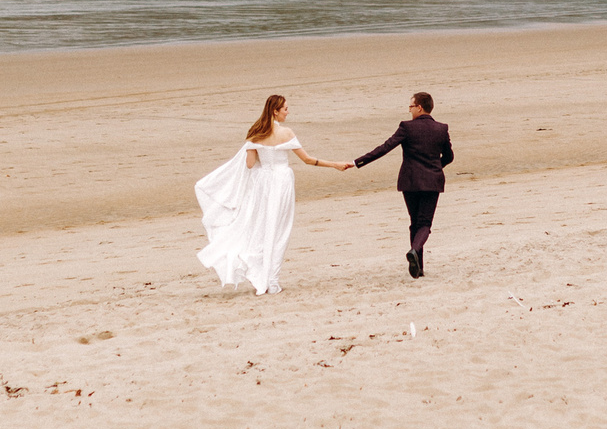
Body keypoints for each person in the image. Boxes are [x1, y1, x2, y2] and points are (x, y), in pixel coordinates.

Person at [194, 94, 349, 294]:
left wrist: (260, 154)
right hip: (281, 182)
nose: (288, 112)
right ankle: (272, 281)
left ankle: (263, 275)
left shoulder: (255, 132)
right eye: (285, 109)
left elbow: (250, 164)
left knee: (261, 227)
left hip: (263, 183)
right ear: (275, 111)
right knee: (279, 231)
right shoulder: (286, 133)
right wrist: (335, 165)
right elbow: (307, 160)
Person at [355, 91, 454, 278]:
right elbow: (449, 157)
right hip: (432, 182)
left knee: (415, 223)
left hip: (410, 181)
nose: (409, 110)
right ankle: (415, 254)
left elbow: (385, 148)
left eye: (411, 106)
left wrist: (357, 162)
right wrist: (434, 168)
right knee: (424, 224)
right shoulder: (441, 129)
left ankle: (418, 266)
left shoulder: (407, 127)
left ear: (419, 107)